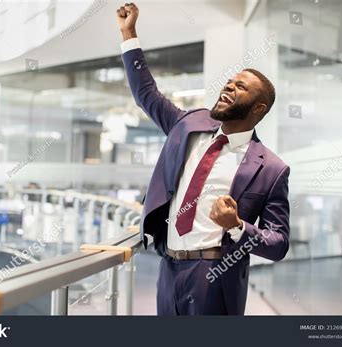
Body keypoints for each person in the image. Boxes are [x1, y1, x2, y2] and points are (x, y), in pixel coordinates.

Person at [116, 3, 290, 315]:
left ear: (258, 109)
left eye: (240, 87)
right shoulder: (188, 124)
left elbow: (278, 243)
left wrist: (237, 226)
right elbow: (147, 94)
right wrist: (129, 34)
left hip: (215, 277)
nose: (229, 87)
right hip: (168, 269)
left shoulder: (272, 169)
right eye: (230, 82)